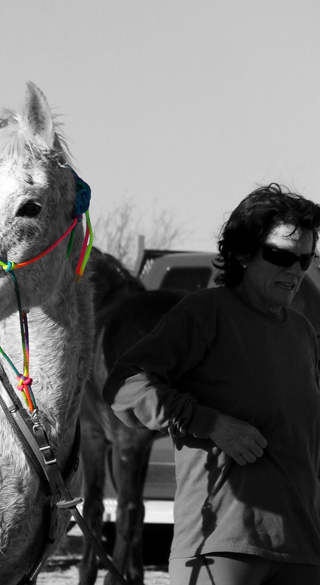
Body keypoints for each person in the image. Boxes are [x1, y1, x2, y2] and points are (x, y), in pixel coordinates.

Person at [103, 183, 320, 585]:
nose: (294, 269)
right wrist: (210, 423)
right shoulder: (205, 313)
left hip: (302, 549)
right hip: (221, 547)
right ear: (242, 252)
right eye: (280, 255)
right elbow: (125, 384)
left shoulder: (304, 333)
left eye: (306, 259)